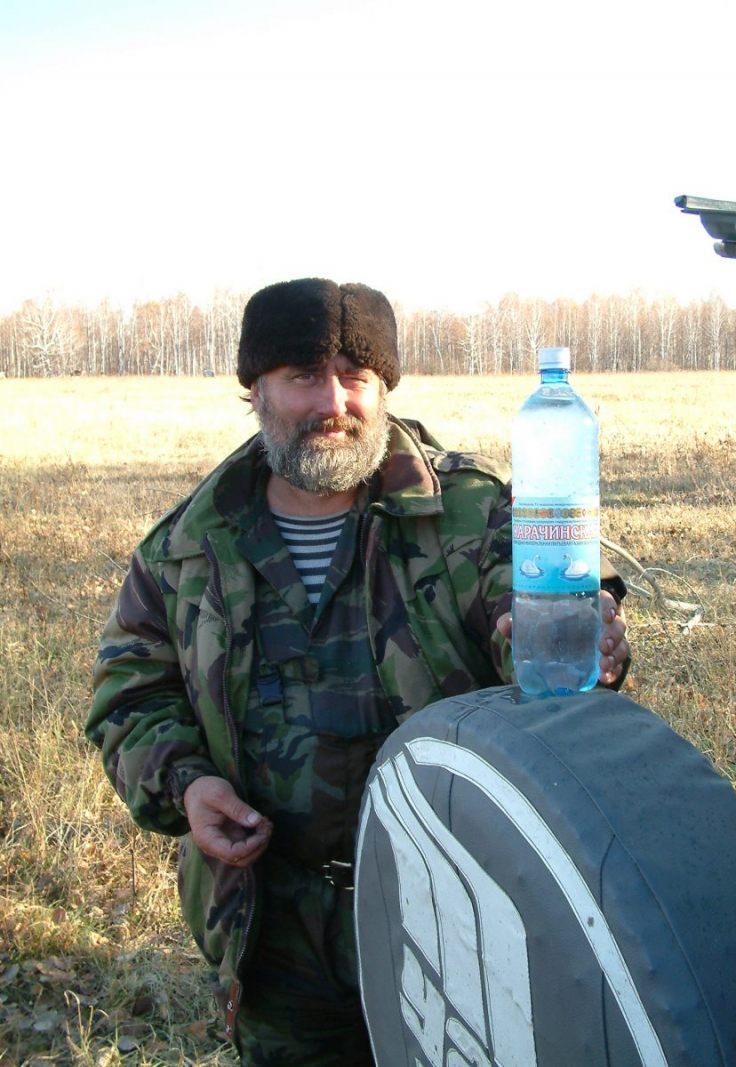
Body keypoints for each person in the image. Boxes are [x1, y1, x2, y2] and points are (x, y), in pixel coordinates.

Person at [87, 278, 629, 1065]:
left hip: (458, 915)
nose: (334, 402)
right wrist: (187, 784)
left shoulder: (472, 512)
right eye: (305, 376)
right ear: (256, 391)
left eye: (356, 377)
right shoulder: (186, 547)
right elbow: (130, 695)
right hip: (274, 931)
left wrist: (575, 638)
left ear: (385, 388)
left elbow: (538, 606)